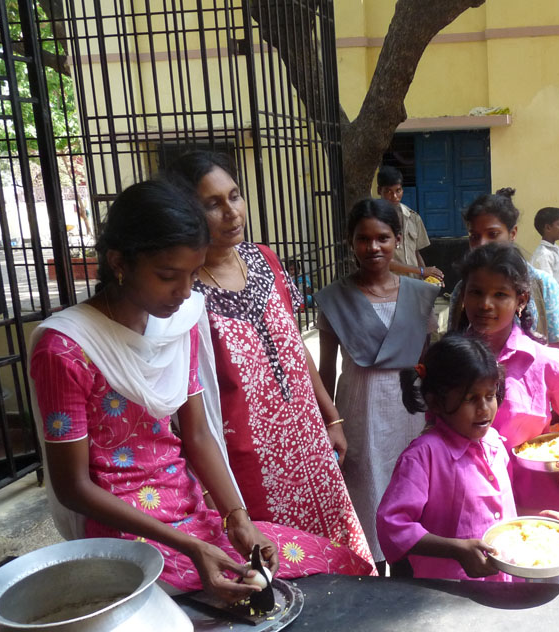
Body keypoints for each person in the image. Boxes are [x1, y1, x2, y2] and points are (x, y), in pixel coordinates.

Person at [29, 180, 373, 601]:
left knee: (339, 563)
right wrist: (192, 548)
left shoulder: (178, 322)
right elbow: (73, 487)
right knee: (237, 600)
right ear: (118, 262)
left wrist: (237, 518)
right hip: (126, 530)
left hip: (191, 512)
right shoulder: (64, 349)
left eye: (194, 274)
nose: (185, 291)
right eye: (167, 276)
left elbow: (196, 434)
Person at [166, 152, 372, 566]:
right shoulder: (184, 293)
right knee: (278, 567)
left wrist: (331, 417)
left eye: (234, 196)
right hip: (248, 463)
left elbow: (293, 344)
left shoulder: (265, 259)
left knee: (337, 556)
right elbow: (185, 400)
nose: (231, 212)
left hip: (310, 445)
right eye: (212, 204)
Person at [458, 243, 559, 584]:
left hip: (535, 510)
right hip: (466, 504)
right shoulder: (451, 360)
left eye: (500, 294)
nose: (485, 304)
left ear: (521, 300)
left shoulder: (544, 360)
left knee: (537, 600)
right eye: (476, 292)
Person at [316, 198, 441, 570]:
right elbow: (325, 369)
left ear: (397, 239)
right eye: (363, 239)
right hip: (359, 412)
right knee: (367, 490)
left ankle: (411, 569)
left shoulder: (420, 295)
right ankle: (372, 570)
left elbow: (426, 362)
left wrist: (435, 416)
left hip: (410, 411)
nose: (373, 247)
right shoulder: (335, 299)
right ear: (350, 242)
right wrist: (327, 421)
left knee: (411, 485)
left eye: (383, 238)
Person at [376, 335, 516, 581]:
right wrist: (455, 550)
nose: (484, 408)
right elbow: (392, 525)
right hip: (449, 592)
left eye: (490, 395)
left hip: (504, 583)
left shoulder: (495, 442)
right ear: (436, 402)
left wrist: (535, 524)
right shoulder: (423, 457)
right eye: (470, 398)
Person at [448, 188, 559, 346]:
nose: (482, 244)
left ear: (512, 234)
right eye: (475, 236)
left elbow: (555, 350)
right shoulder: (462, 288)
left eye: (493, 234)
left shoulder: (544, 284)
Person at [376, 165, 443, 283]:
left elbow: (416, 253)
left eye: (398, 191)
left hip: (413, 283)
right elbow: (384, 261)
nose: (394, 196)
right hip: (387, 284)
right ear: (379, 191)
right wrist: (421, 271)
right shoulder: (374, 220)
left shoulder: (412, 217)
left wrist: (428, 277)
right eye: (388, 191)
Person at [530, 206, 559, 296]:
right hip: (552, 301)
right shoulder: (543, 255)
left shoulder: (554, 250)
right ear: (548, 228)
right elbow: (547, 287)